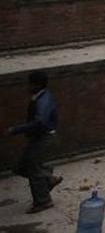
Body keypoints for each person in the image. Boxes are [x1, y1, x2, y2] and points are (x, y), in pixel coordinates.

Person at [8, 71, 60, 213]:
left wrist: (16, 129)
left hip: (43, 137)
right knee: (21, 166)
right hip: (38, 137)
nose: (28, 86)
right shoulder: (41, 97)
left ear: (37, 84)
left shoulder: (43, 100)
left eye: (30, 83)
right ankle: (48, 179)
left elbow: (40, 121)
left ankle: (43, 201)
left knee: (33, 167)